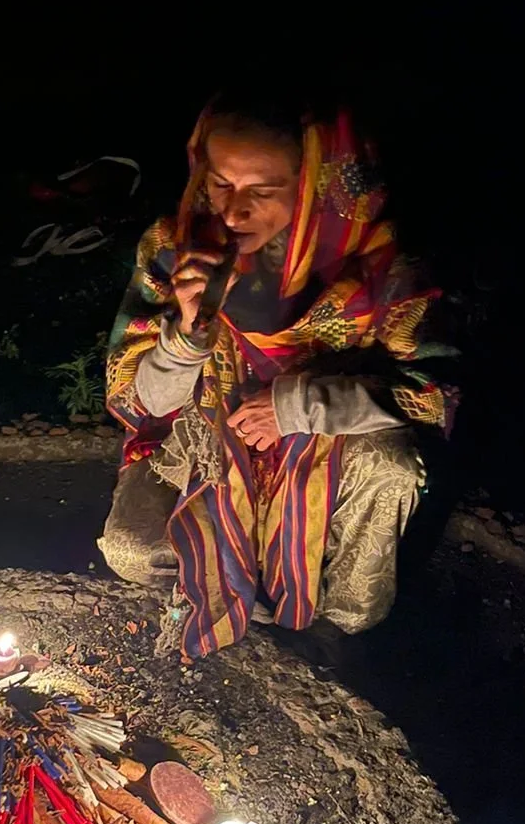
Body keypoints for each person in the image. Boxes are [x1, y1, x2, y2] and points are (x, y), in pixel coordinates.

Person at [99, 93, 446, 661]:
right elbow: (141, 404)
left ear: (313, 187)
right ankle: (217, 600)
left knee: (391, 468)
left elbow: (431, 394)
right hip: (206, 439)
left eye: (262, 192)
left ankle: (331, 629)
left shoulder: (383, 264)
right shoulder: (175, 249)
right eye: (219, 184)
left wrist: (298, 408)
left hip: (329, 443)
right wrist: (186, 338)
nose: (233, 214)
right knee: (132, 550)